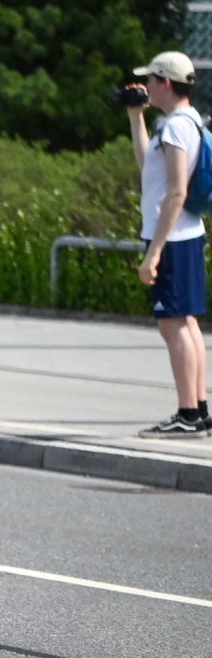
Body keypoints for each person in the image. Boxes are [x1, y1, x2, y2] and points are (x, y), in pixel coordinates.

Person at [127, 50, 210, 438]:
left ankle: (187, 414)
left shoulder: (177, 127)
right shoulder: (183, 122)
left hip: (172, 238)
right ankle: (200, 408)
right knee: (185, 321)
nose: (147, 87)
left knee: (173, 324)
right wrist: (136, 116)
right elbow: (149, 169)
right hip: (187, 233)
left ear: (165, 82)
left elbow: (175, 192)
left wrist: (154, 251)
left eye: (151, 81)